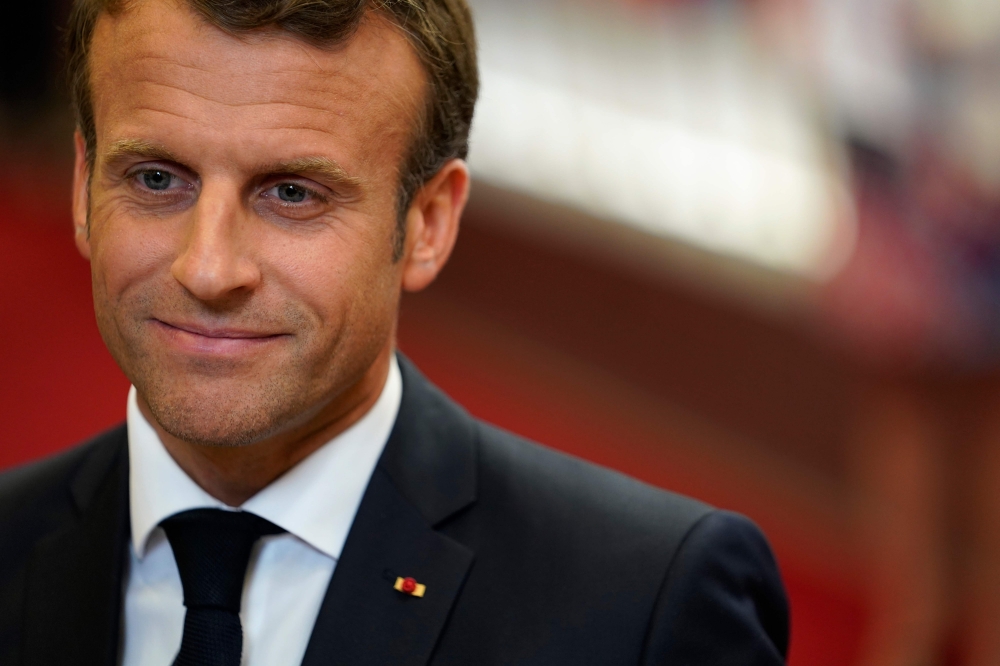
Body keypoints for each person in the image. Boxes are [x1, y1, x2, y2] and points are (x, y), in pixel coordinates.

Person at [0, 0, 789, 663]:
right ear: (81, 187)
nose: (207, 269)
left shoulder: (647, 605)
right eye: (156, 178)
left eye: (293, 194)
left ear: (429, 224)